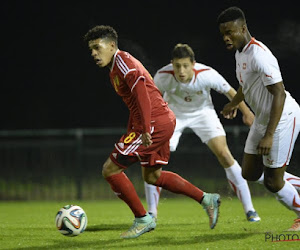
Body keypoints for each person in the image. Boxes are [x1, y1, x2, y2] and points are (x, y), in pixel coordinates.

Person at [83, 25, 221, 239]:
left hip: (154, 122)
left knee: (110, 170)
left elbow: (141, 95)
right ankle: (206, 199)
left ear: (111, 45)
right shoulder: (115, 67)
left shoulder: (123, 63)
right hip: (160, 120)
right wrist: (136, 126)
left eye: (96, 47)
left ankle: (143, 219)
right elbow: (135, 103)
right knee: (152, 176)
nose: (93, 53)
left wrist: (146, 128)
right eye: (91, 49)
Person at [144, 43, 261, 222]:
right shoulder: (162, 76)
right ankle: (151, 213)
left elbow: (230, 92)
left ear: (193, 64)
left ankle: (250, 210)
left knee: (224, 154)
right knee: (153, 160)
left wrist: (247, 113)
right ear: (171, 64)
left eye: (185, 66)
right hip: (172, 114)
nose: (181, 71)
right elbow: (151, 101)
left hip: (203, 113)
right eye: (177, 66)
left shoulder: (206, 74)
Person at [218, 6, 300, 231]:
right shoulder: (240, 53)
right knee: (249, 173)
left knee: (274, 183)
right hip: (264, 118)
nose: (226, 37)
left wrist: (269, 135)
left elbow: (279, 93)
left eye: (230, 32)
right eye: (223, 34)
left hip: (283, 117)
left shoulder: (259, 54)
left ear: (243, 28)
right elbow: (246, 85)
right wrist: (234, 103)